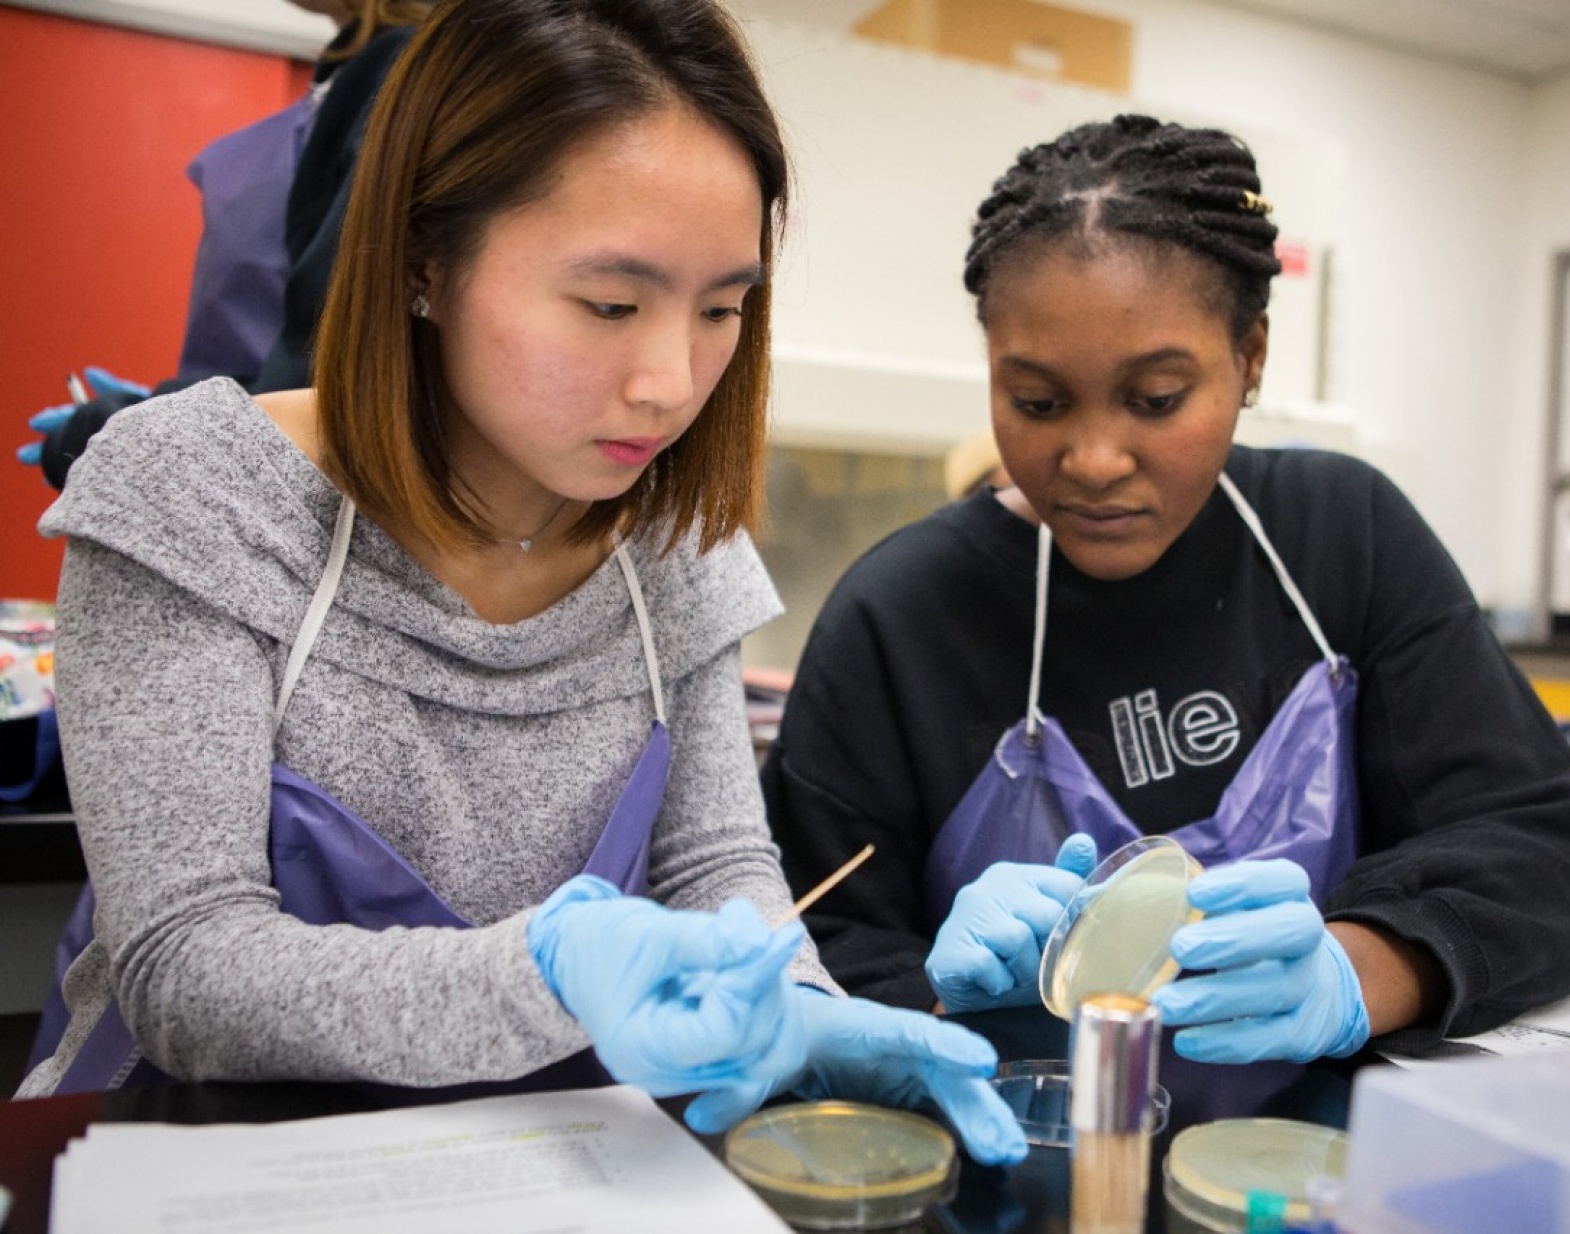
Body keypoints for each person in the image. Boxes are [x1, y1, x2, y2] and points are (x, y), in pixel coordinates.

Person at [19, 0, 1025, 1166]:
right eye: (608, 305)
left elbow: (714, 866)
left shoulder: (673, 548)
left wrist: (795, 1004)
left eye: (722, 311)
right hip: (213, 1166)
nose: (669, 381)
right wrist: (547, 974)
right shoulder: (197, 495)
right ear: (421, 266)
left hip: (552, 1158)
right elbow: (186, 970)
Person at [763, 114, 1570, 1121]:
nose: (1093, 459)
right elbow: (809, 951)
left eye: (1156, 398)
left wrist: (1349, 974)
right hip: (1017, 1168)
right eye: (1036, 402)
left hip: (1320, 1166)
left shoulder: (1343, 537)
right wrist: (939, 999)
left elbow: (1532, 854)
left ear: (1249, 355)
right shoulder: (898, 618)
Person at [18, 0, 434, 488]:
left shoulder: (397, 79)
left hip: (303, 471)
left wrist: (126, 430)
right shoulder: (342, 85)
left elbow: (325, 357)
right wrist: (173, 408)